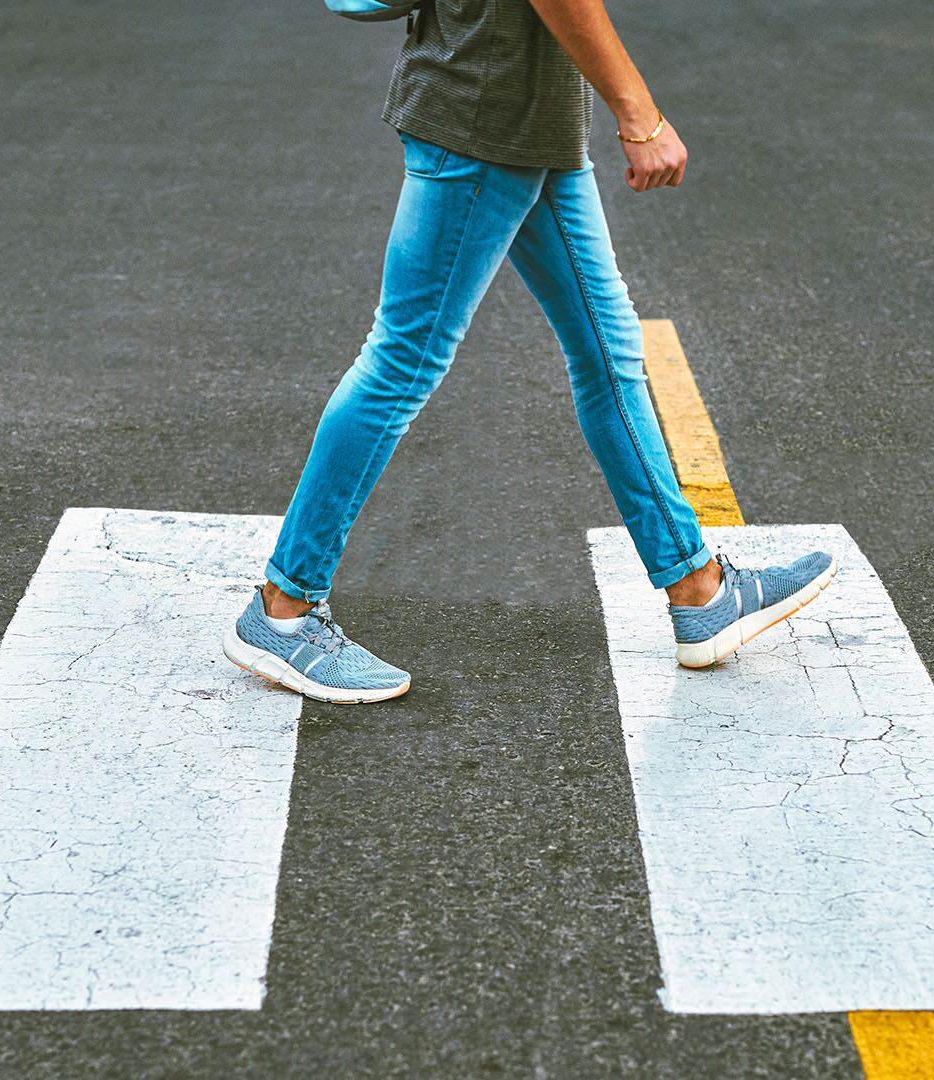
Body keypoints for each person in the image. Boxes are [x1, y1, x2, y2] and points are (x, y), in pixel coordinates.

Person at [224, 0, 836, 703]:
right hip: (485, 122)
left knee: (610, 355)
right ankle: (286, 607)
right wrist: (639, 113)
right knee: (400, 364)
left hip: (533, 122)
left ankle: (699, 590)